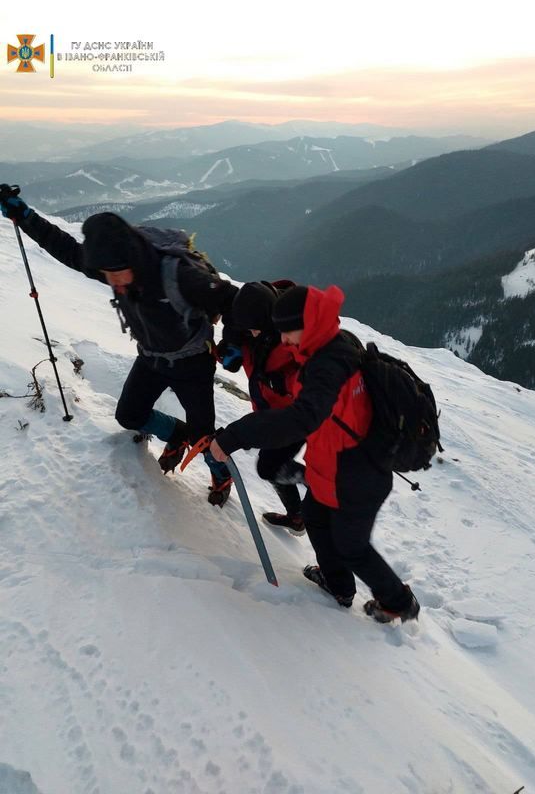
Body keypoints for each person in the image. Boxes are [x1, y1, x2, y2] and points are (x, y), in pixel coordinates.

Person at [0, 187, 236, 506]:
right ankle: (177, 435)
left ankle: (221, 476)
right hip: (151, 358)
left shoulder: (178, 275)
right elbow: (66, 248)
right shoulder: (112, 264)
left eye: (116, 274)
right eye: (106, 275)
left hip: (193, 362)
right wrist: (25, 217)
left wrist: (234, 342)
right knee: (129, 415)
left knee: (204, 434)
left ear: (133, 258)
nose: (113, 282)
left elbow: (233, 301)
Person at [210, 284, 420, 623]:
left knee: (351, 546)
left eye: (289, 333)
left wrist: (236, 435)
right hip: (331, 464)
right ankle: (339, 586)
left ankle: (399, 602)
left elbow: (302, 417)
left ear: (309, 324)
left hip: (358, 472)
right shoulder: (323, 346)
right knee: (316, 517)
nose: (286, 341)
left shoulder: (329, 364)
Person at [220, 280, 305, 535]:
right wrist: (226, 349)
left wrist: (284, 383)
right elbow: (244, 355)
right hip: (268, 412)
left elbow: (311, 375)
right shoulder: (247, 327)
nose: (252, 333)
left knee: (269, 466)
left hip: (294, 416)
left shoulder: (289, 333)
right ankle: (298, 516)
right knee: (271, 465)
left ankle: (318, 485)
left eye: (255, 329)